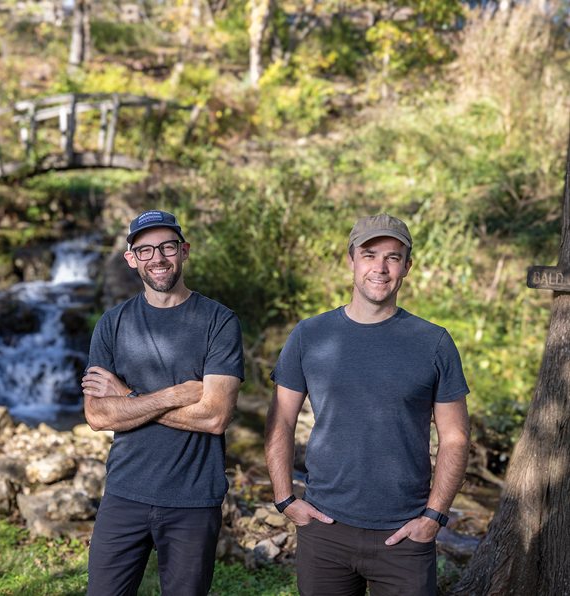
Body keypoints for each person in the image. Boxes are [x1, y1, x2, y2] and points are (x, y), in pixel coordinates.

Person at [265, 213, 471, 595]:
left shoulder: (434, 342)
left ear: (407, 267)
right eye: (369, 254)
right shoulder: (310, 335)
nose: (380, 267)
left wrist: (434, 516)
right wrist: (284, 499)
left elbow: (456, 438)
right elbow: (280, 422)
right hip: (325, 532)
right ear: (351, 261)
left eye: (392, 257)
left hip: (406, 536)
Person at [81, 209, 244, 595]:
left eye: (167, 246)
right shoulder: (113, 323)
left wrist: (126, 399)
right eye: (145, 249)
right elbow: (97, 415)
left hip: (193, 499)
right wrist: (170, 395)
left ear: (184, 250)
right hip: (123, 492)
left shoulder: (218, 321)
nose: (157, 257)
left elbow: (215, 416)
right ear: (131, 259)